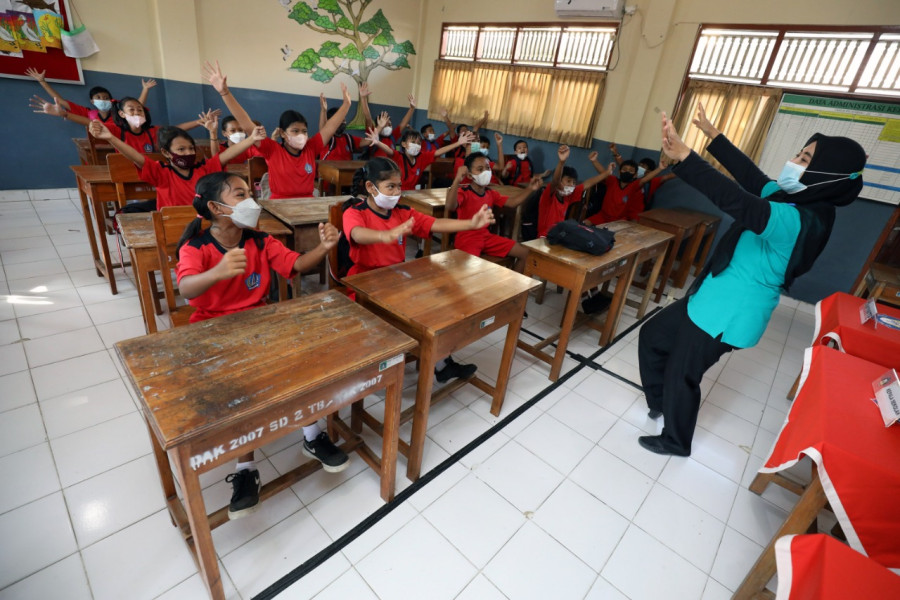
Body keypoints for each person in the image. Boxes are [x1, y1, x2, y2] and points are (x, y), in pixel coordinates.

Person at [636, 104, 866, 457]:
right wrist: (714, 136)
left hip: (730, 313)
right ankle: (659, 401)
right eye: (799, 153)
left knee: (682, 373)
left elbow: (738, 201)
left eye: (804, 158)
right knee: (653, 336)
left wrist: (685, 158)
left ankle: (676, 440)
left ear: (825, 172)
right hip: (711, 294)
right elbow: (751, 177)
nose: (795, 161)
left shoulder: (800, 219)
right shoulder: (793, 197)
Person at [175, 171, 348, 517]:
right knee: (241, 395)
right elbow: (186, 288)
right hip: (212, 330)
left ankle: (312, 436)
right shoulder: (196, 247)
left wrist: (324, 248)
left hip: (259, 322)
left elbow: (295, 265)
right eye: (239, 195)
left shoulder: (259, 240)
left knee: (302, 366)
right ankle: (245, 470)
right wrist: (219, 272)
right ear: (215, 207)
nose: (251, 201)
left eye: (249, 192)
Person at [342, 157, 497, 382]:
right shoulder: (355, 212)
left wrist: (470, 224)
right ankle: (379, 370)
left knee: (438, 304)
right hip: (364, 285)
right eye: (390, 187)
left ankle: (442, 364)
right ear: (370, 187)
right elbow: (357, 234)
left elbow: (435, 224)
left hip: (396, 281)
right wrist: (385, 235)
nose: (396, 192)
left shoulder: (403, 212)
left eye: (399, 186)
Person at [203, 60, 351, 199]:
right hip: (279, 205)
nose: (301, 135)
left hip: (308, 203)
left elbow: (330, 128)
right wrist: (225, 93)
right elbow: (246, 124)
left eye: (304, 131)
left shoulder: (311, 148)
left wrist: (346, 105)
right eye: (295, 131)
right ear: (282, 133)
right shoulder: (272, 149)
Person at [88, 119, 262, 210]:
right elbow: (136, 157)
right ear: (165, 153)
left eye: (190, 149)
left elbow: (227, 154)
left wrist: (252, 139)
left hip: (204, 228)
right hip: (174, 228)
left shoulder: (205, 168)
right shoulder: (160, 172)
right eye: (181, 149)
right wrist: (111, 138)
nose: (188, 153)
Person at [446, 152, 540, 273]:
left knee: (525, 253)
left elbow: (513, 203)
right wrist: (457, 179)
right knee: (471, 271)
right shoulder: (463, 192)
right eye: (480, 169)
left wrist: (530, 189)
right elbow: (449, 206)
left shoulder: (491, 193)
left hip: (486, 237)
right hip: (467, 238)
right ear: (469, 175)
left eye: (487, 168)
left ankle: (513, 288)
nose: (485, 172)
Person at [26, 67, 155, 125]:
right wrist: (42, 82)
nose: (103, 100)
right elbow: (60, 101)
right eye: (99, 98)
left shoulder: (118, 112)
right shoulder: (88, 114)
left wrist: (145, 89)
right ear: (92, 101)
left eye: (106, 98)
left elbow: (137, 107)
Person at [536, 145, 609, 238]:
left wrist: (607, 173)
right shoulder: (550, 194)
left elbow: (588, 183)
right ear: (560, 180)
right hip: (544, 236)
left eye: (574, 182)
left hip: (559, 235)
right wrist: (561, 162)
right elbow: (555, 180)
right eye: (568, 181)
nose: (571, 185)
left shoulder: (568, 196)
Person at [371, 127, 475, 191]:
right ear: (403, 144)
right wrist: (377, 142)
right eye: (413, 142)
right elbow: (389, 150)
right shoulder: (399, 156)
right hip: (397, 192)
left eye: (418, 143)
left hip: (412, 193)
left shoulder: (422, 157)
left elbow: (439, 152)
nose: (416, 146)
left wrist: (458, 143)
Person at [584, 157, 665, 225]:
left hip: (619, 220)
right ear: (619, 171)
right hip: (602, 216)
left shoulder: (634, 186)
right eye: (624, 169)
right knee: (583, 225)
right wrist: (594, 160)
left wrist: (660, 168)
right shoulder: (612, 180)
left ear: (635, 175)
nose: (627, 172)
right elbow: (602, 172)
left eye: (631, 171)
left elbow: (645, 180)